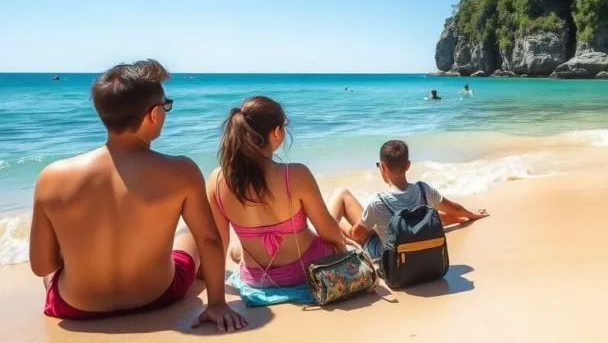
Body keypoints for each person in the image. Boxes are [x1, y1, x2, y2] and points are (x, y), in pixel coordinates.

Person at [29, 59, 246, 330]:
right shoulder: (181, 170)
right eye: (166, 105)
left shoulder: (52, 176)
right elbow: (211, 241)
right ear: (154, 114)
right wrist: (216, 304)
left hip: (75, 307)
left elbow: (41, 266)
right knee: (191, 233)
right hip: (158, 296)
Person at [207, 96, 361, 289]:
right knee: (333, 238)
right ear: (277, 133)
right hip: (305, 271)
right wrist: (341, 245)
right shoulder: (295, 174)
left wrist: (215, 294)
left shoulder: (216, 179)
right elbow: (326, 230)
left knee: (236, 251)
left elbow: (219, 242)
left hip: (256, 277)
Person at [349, 140, 489, 262]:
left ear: (383, 167)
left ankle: (337, 244)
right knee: (423, 216)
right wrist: (472, 215)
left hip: (394, 263)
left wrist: (363, 230)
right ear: (408, 165)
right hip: (425, 259)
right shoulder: (424, 190)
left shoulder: (376, 202)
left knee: (346, 204)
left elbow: (356, 235)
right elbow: (453, 208)